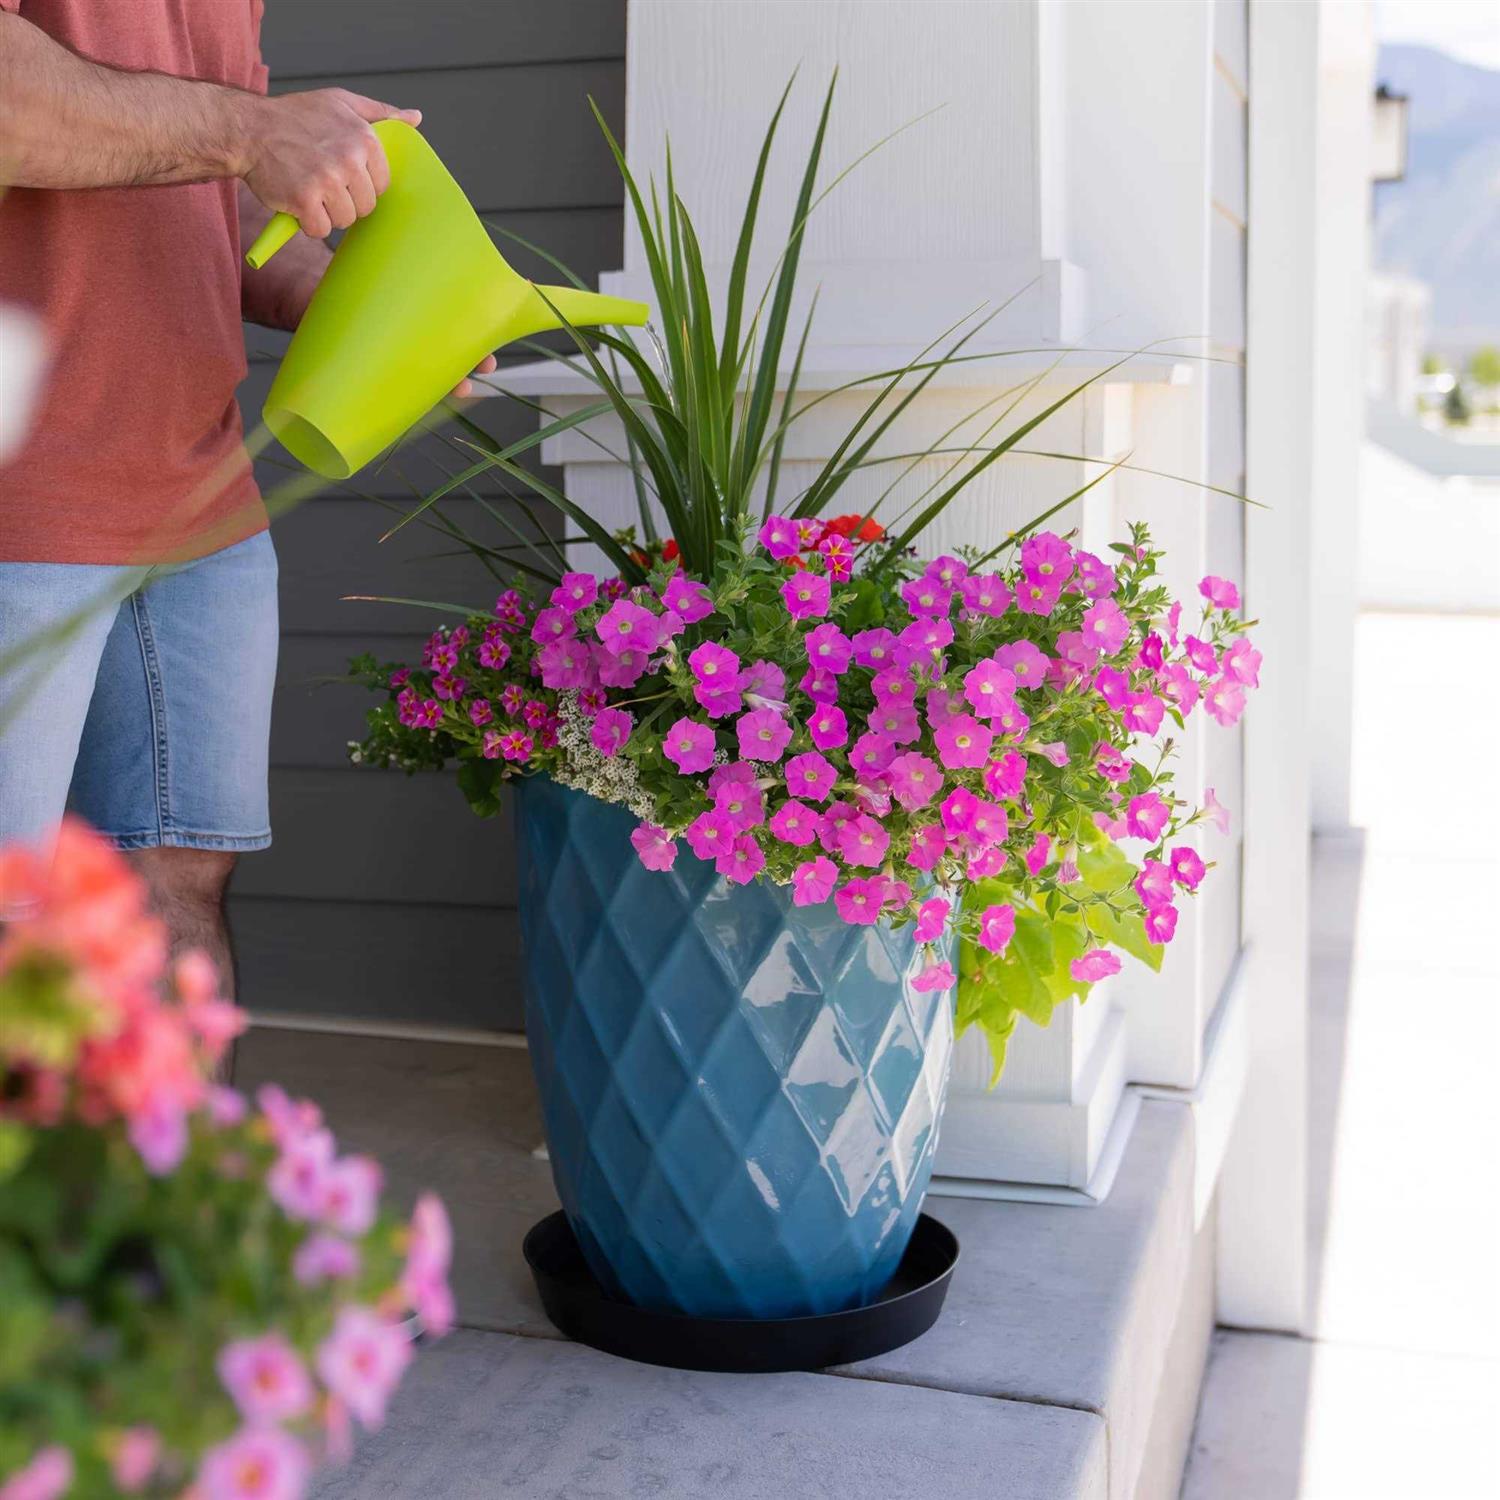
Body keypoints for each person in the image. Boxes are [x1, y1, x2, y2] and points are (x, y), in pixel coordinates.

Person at [0, 1, 496, 1002]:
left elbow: (194, 193)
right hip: (22, 491)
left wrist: (347, 296)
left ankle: (165, 1165)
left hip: (198, 501)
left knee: (174, 895)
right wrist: (256, 130)